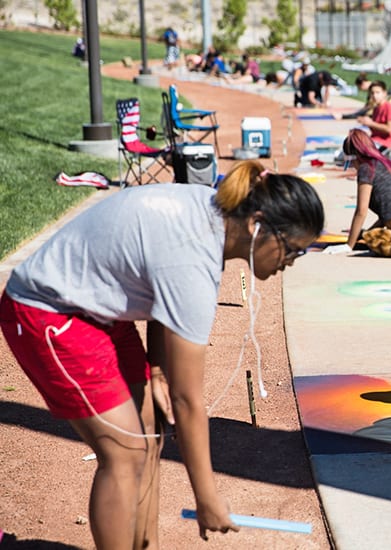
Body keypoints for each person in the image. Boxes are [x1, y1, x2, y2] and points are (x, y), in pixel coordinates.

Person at [0, 161, 324, 548]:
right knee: (124, 453)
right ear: (257, 225)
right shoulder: (193, 257)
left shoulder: (209, 220)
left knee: (151, 432)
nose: (290, 263)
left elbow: (161, 298)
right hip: (49, 310)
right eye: (293, 251)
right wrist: (206, 499)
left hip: (97, 305)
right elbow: (188, 402)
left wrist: (156, 371)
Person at [355, 80, 391, 150]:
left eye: (378, 93)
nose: (374, 96)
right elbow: (375, 129)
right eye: (372, 93)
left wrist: (371, 123)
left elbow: (389, 129)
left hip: (384, 144)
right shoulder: (376, 108)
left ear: (384, 93)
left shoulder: (389, 107)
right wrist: (365, 123)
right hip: (374, 140)